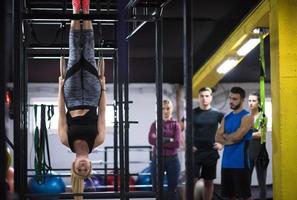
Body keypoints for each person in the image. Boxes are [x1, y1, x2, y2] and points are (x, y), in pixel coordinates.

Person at [58, 0, 106, 199]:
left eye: (80, 169)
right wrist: (103, 88)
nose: (84, 167)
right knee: (88, 50)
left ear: (73, 166)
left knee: (73, 51)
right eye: (86, 170)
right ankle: (86, 9)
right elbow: (103, 112)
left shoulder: (64, 140)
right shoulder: (98, 140)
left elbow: (61, 113)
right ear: (91, 166)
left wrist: (60, 88)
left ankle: (76, 9)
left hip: (72, 96)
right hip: (93, 95)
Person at [215, 86, 253, 200]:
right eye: (230, 98)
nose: (231, 101)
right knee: (228, 196)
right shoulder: (227, 117)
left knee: (244, 196)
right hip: (226, 163)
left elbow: (238, 136)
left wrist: (225, 137)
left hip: (241, 163)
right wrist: (231, 138)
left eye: (235, 99)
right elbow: (217, 137)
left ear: (242, 100)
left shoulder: (247, 117)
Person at [192, 87, 224, 200]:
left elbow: (229, 129)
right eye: (202, 96)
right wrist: (188, 145)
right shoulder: (192, 113)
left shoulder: (218, 114)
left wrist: (222, 144)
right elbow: (180, 129)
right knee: (192, 181)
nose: (204, 99)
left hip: (211, 153)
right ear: (198, 98)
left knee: (208, 183)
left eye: (207, 96)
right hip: (195, 153)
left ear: (211, 97)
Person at [148, 99, 181, 200]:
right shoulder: (155, 124)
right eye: (162, 109)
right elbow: (151, 140)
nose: (165, 111)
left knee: (173, 190)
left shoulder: (176, 125)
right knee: (157, 189)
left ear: (172, 109)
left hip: (173, 160)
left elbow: (177, 143)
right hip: (157, 159)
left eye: (168, 108)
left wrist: (160, 141)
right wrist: (168, 140)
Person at [248, 92, 267, 199]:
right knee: (246, 183)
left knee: (262, 184)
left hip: (260, 155)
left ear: (259, 103)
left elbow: (262, 134)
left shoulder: (262, 117)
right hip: (248, 154)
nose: (251, 103)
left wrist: (246, 134)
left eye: (254, 101)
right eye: (249, 100)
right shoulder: (245, 117)